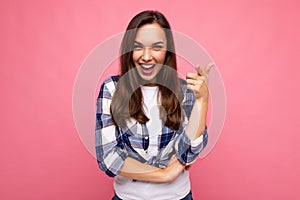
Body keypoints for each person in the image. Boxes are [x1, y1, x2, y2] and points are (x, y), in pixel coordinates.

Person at [95, 10, 212, 200]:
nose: (147, 56)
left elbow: (188, 152)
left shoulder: (184, 92)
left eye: (156, 47)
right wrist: (164, 174)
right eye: (138, 47)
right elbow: (108, 158)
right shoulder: (111, 88)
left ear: (167, 51)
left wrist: (202, 101)